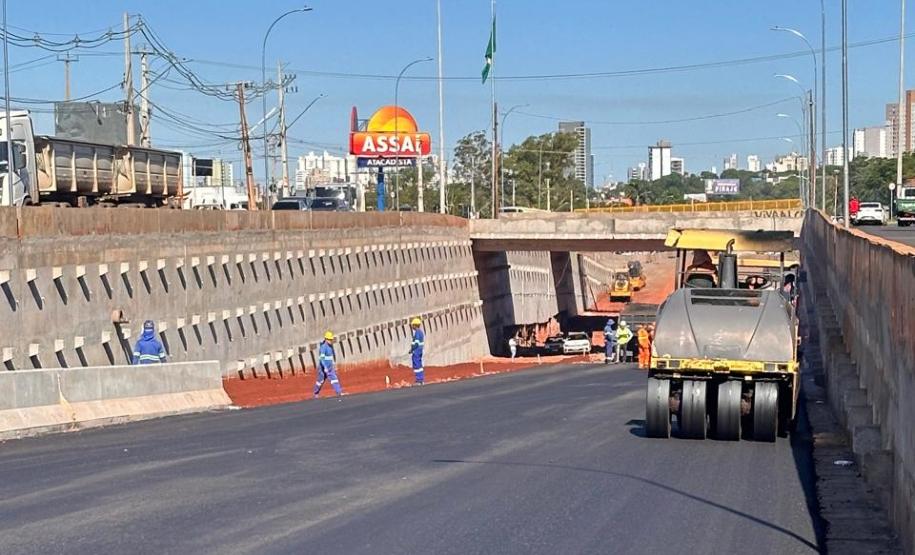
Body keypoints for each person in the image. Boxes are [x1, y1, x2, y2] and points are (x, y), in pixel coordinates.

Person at [314, 331, 343, 398]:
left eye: (331, 339)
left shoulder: (331, 347)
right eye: (329, 339)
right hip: (323, 368)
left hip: (330, 368)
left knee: (334, 379)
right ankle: (316, 393)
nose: (331, 341)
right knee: (320, 381)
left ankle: (339, 392)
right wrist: (325, 367)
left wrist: (333, 366)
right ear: (326, 339)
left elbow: (330, 358)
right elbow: (322, 359)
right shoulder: (323, 347)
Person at [410, 317, 425, 385]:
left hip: (416, 351)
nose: (412, 326)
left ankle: (419, 380)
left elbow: (416, 343)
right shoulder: (420, 332)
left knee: (416, 365)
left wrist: (412, 349)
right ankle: (421, 379)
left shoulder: (417, 333)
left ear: (414, 325)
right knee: (419, 364)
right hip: (419, 350)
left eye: (412, 325)